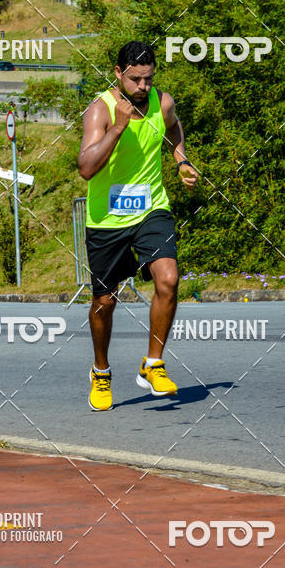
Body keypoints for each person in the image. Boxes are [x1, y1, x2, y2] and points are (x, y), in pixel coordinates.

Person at [78, 41, 199, 411]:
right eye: (135, 79)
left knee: (169, 279)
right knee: (104, 301)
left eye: (148, 79)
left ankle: (153, 363)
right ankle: (101, 371)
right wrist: (117, 128)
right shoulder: (100, 110)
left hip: (151, 209)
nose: (143, 87)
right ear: (118, 74)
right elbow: (86, 168)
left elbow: (175, 130)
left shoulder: (163, 102)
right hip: (107, 219)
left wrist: (181, 161)